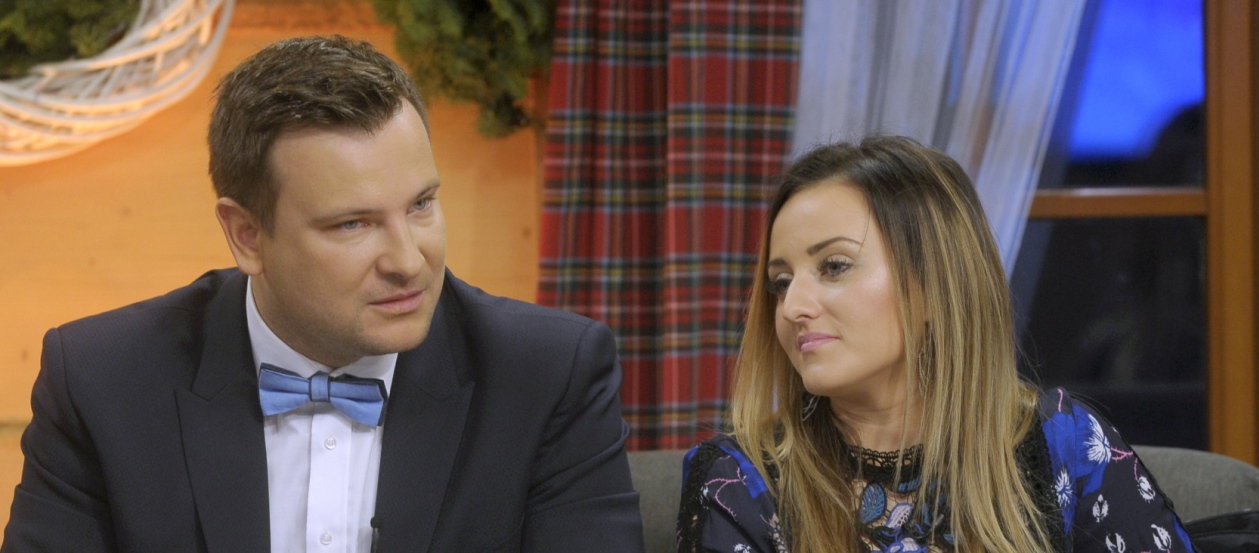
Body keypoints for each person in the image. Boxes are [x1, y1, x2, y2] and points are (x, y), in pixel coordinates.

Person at [3, 35, 643, 552]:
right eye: (353, 224)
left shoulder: (547, 375)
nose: (408, 261)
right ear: (247, 235)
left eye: (421, 205)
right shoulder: (103, 381)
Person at [676, 137, 1194, 552]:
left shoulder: (1063, 442)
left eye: (833, 266)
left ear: (933, 285)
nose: (792, 307)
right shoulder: (738, 479)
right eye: (781, 282)